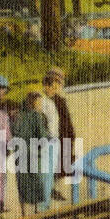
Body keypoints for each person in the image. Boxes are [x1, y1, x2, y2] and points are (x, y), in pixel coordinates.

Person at [13, 92, 52, 214]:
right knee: (36, 182)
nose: (41, 105)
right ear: (33, 102)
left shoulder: (17, 115)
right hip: (34, 153)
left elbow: (13, 133)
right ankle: (36, 212)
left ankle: (24, 213)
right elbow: (42, 136)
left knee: (23, 183)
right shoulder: (36, 116)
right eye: (39, 103)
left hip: (20, 154)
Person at [41, 68, 74, 201]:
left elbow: (66, 121)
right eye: (52, 84)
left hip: (63, 137)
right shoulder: (49, 101)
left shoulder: (58, 100)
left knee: (62, 166)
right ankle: (50, 189)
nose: (55, 87)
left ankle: (52, 189)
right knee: (58, 165)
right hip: (57, 137)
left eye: (58, 84)